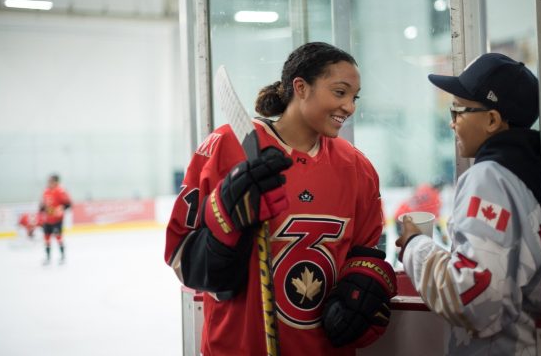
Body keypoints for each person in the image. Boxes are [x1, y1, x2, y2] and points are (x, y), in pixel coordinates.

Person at [165, 42, 396, 355]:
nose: (350, 108)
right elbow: (182, 257)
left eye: (354, 97)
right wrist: (225, 221)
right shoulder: (226, 146)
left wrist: (363, 283)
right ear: (300, 87)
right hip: (238, 346)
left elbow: (366, 248)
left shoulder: (357, 167)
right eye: (339, 93)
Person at [396, 53, 541, 355]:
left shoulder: (489, 179)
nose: (451, 124)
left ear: (492, 120)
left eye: (457, 112)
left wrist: (415, 245)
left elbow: (472, 300)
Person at [40, 174, 72, 265]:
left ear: (56, 182)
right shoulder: (46, 191)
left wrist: (61, 208)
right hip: (47, 220)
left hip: (57, 220)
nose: (49, 183)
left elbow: (68, 204)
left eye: (51, 181)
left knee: (59, 238)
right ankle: (48, 258)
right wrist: (43, 209)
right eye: (49, 181)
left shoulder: (61, 191)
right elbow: (43, 205)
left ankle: (62, 257)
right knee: (46, 239)